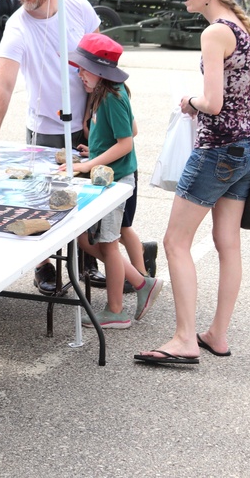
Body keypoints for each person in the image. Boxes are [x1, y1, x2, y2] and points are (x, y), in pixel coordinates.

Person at [136, 0, 250, 366]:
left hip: (217, 150)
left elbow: (213, 102)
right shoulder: (248, 29)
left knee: (176, 242)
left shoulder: (214, 32)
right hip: (247, 146)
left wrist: (190, 103)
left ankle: (184, 338)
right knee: (228, 244)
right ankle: (217, 334)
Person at [0, 0, 103, 294]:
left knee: (87, 198)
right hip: (45, 128)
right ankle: (43, 266)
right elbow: (3, 83)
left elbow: (103, 59)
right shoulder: (17, 25)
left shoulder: (79, 8)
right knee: (40, 199)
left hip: (87, 121)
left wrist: (98, 115)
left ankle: (87, 262)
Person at [60, 33, 163, 328]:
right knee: (85, 239)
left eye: (82, 68)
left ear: (100, 71)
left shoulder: (114, 97)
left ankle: (116, 310)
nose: (79, 74)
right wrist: (94, 149)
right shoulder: (105, 93)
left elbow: (127, 141)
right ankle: (142, 283)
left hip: (116, 183)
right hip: (108, 178)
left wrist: (89, 164)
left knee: (108, 244)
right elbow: (126, 132)